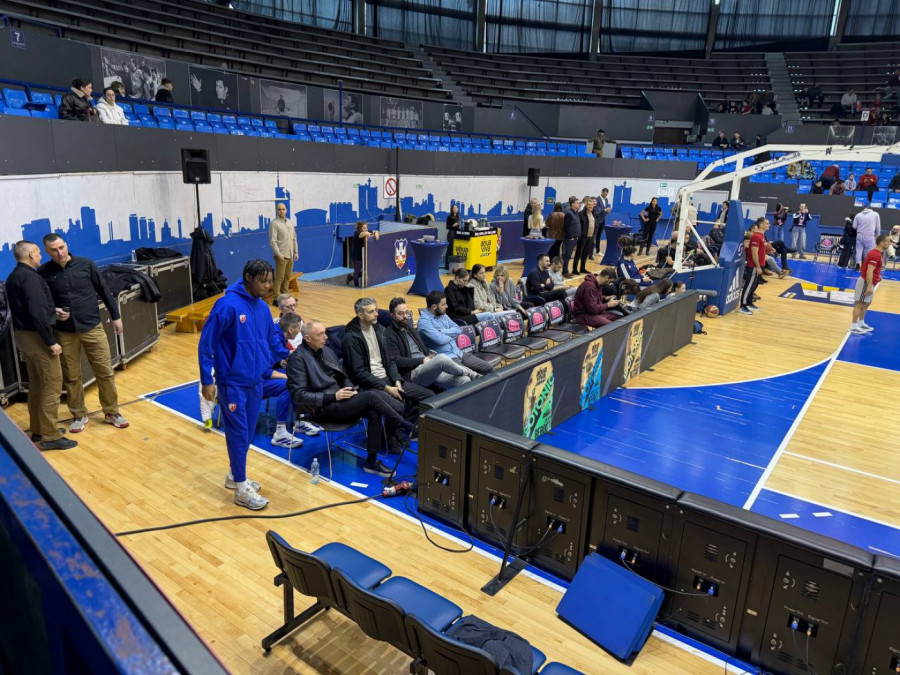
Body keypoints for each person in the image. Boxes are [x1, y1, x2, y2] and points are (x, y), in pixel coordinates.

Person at [198, 260, 288, 510]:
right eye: (263, 281)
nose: (268, 286)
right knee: (238, 433)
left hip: (256, 381)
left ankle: (233, 475)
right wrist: (207, 380)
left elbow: (271, 342)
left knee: (247, 433)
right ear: (248, 277)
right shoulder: (227, 306)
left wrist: (291, 357)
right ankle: (240, 489)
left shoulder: (262, 308)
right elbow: (206, 344)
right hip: (232, 383)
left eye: (270, 281)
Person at [286, 320, 411, 477]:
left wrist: (351, 389)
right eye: (320, 334)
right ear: (308, 338)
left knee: (374, 410)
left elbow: (342, 376)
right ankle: (407, 425)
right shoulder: (297, 359)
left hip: (340, 401)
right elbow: (299, 395)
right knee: (371, 395)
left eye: (325, 332)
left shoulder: (326, 351)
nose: (326, 337)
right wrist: (333, 396)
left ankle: (371, 462)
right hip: (320, 409)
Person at [38, 234, 127, 433]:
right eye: (54, 250)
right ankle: (78, 414)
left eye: (61, 247)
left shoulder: (86, 265)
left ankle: (112, 412)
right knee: (71, 376)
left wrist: (116, 316)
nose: (60, 252)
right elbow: (42, 301)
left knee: (105, 371)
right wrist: (53, 311)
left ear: (66, 245)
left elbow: (104, 290)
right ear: (47, 251)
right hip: (64, 332)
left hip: (92, 327)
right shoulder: (43, 272)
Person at [6, 241, 77, 451]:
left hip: (23, 336)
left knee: (37, 384)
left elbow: (29, 307)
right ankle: (51, 435)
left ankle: (38, 429)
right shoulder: (30, 277)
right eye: (38, 253)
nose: (40, 256)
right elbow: (36, 312)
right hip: (37, 338)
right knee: (52, 384)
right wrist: (50, 341)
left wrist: (52, 311)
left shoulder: (14, 277)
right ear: (30, 254)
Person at [342, 298, 433, 438]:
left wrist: (396, 379)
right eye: (371, 311)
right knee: (398, 406)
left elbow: (390, 360)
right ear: (360, 315)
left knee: (429, 396)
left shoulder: (380, 330)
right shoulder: (351, 338)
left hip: (389, 379)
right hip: (370, 385)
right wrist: (386, 388)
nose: (376, 314)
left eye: (376, 310)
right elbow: (359, 373)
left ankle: (399, 430)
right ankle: (388, 439)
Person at [384, 297, 478, 389]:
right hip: (413, 373)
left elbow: (422, 349)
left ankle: (469, 379)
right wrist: (422, 360)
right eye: (401, 313)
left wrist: (430, 355)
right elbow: (397, 361)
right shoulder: (389, 334)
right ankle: (473, 374)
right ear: (392, 315)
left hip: (428, 365)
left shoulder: (409, 328)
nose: (405, 316)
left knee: (464, 380)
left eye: (406, 312)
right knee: (441, 358)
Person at [416, 291, 494, 375]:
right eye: (443, 304)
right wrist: (453, 334)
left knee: (487, 368)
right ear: (434, 306)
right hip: (447, 358)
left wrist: (442, 331)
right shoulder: (424, 322)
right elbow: (440, 340)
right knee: (469, 377)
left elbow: (458, 329)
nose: (446, 306)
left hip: (458, 352)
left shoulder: (443, 315)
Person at [849, 235, 890, 334]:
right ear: (882, 243)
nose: (889, 244)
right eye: (888, 241)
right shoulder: (875, 254)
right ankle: (853, 326)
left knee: (866, 303)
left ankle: (861, 323)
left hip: (870, 281)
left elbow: (872, 270)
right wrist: (870, 285)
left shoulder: (877, 253)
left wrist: (877, 277)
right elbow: (869, 271)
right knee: (860, 303)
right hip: (866, 282)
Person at [268, 202, 298, 297]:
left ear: (286, 210)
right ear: (277, 211)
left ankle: (285, 293)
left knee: (287, 276)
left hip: (290, 254)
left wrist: (296, 252)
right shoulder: (274, 224)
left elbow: (294, 238)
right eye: (279, 209)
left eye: (283, 209)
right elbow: (273, 242)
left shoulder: (290, 222)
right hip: (281, 255)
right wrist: (279, 255)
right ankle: (277, 296)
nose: (281, 211)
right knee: (279, 277)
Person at [738, 219, 766, 316]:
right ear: (761, 225)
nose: (769, 225)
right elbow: (754, 253)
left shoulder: (762, 236)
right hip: (753, 266)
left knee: (754, 285)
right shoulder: (756, 237)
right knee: (749, 285)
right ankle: (743, 306)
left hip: (760, 265)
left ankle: (749, 303)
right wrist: (757, 266)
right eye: (767, 223)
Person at [347, 221, 379, 287]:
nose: (366, 229)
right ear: (360, 228)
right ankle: (356, 286)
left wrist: (376, 233)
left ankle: (350, 277)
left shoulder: (366, 231)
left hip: (363, 255)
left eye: (367, 227)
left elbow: (376, 232)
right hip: (357, 256)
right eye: (364, 228)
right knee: (357, 271)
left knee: (366, 271)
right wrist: (372, 233)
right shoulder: (357, 233)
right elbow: (366, 234)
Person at [572, 196, 596, 274]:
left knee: (585, 254)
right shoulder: (581, 214)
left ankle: (582, 268)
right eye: (588, 204)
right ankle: (574, 269)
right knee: (578, 253)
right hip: (583, 237)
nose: (590, 206)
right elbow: (578, 226)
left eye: (591, 205)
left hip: (590, 237)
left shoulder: (593, 213)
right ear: (585, 205)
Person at [561, 196, 582, 277]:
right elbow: (565, 227)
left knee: (569, 255)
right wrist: (570, 237)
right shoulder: (569, 214)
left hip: (575, 238)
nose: (578, 204)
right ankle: (564, 271)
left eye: (579, 203)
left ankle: (566, 270)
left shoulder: (576, 214)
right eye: (577, 203)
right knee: (567, 255)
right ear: (572, 204)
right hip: (569, 239)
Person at [593, 188, 611, 257]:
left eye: (607, 194)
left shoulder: (606, 200)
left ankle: (598, 251)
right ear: (602, 192)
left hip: (603, 220)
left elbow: (604, 210)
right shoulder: (597, 199)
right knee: (594, 237)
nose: (606, 195)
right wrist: (605, 210)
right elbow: (597, 211)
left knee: (599, 236)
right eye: (605, 194)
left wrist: (607, 211)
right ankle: (590, 252)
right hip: (597, 220)